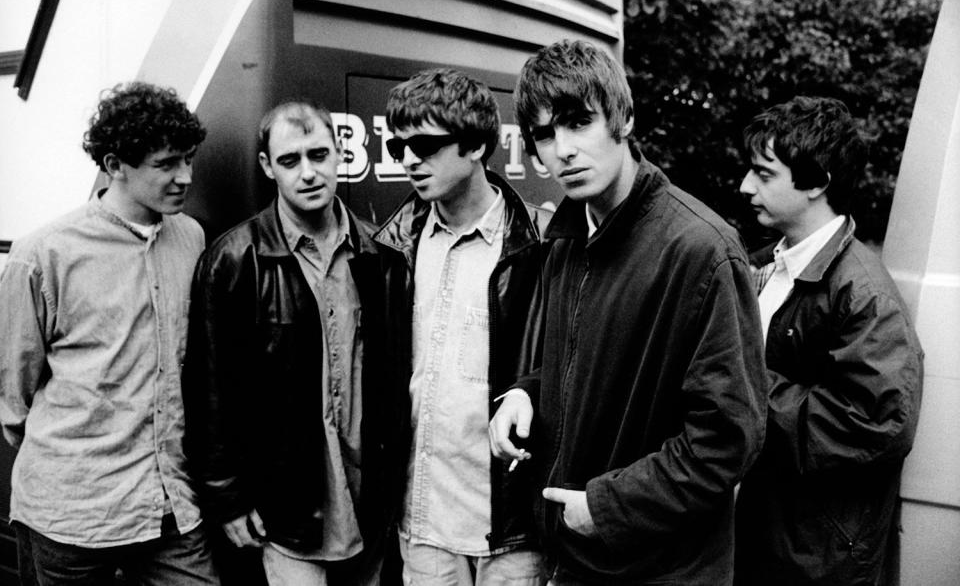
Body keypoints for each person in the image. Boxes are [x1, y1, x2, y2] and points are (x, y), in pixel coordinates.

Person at [488, 39, 767, 585]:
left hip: (662, 570)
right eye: (544, 135)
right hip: (576, 561)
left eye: (578, 122)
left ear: (625, 117)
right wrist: (525, 391)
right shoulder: (567, 236)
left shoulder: (701, 249)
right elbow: (585, 365)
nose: (562, 149)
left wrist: (608, 507)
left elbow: (728, 441)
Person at [0, 81, 217, 584]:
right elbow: (14, 398)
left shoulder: (190, 236)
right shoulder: (43, 255)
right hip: (72, 517)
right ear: (116, 164)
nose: (185, 176)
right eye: (166, 165)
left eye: (189, 159)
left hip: (170, 505)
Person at [183, 101, 397, 586]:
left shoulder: (378, 256)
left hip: (368, 502)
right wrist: (228, 498)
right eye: (289, 160)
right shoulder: (234, 259)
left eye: (318, 155)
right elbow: (210, 389)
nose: (308, 173)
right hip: (288, 506)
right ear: (267, 167)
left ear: (340, 154)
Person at [734, 96, 923, 586]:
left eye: (764, 173)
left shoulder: (864, 294)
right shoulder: (767, 265)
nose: (745, 186)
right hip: (763, 533)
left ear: (817, 182)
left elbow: (878, 424)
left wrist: (745, 386)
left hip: (815, 558)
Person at [374, 68, 551, 585]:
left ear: (476, 145)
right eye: (397, 147)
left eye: (425, 145)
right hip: (424, 523)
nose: (409, 160)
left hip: (514, 529)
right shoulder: (392, 247)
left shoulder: (540, 246)